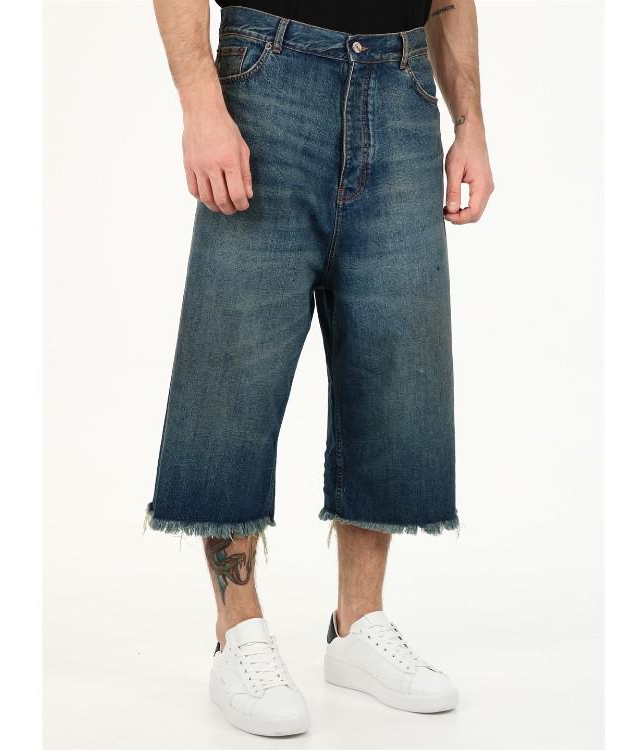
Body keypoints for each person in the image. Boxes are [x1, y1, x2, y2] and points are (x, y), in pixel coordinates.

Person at [146, 0, 493, 736]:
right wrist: (201, 103)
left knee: (397, 365)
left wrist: (471, 124)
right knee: (233, 364)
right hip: (267, 76)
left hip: (403, 85)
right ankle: (237, 630)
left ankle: (357, 624)